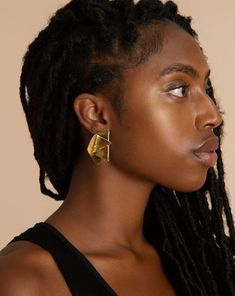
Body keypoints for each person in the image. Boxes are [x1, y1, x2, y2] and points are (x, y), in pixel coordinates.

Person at [0, 0, 234, 295]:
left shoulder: (202, 264)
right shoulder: (23, 282)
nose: (213, 115)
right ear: (96, 115)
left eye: (205, 87)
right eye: (179, 89)